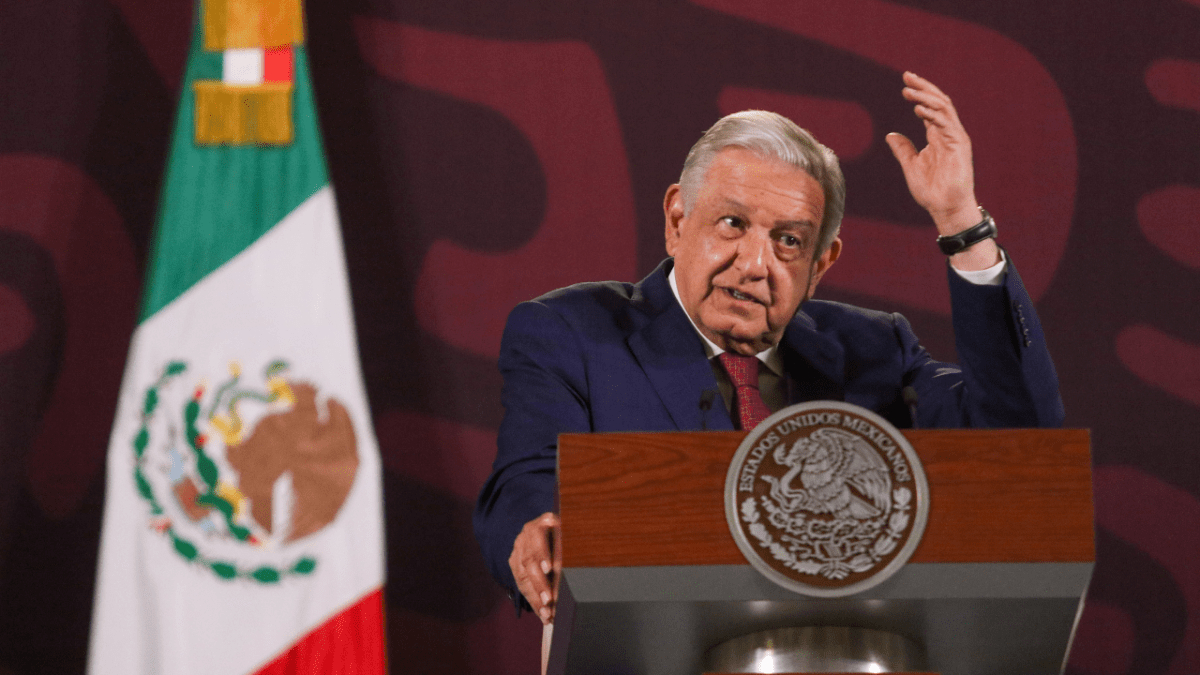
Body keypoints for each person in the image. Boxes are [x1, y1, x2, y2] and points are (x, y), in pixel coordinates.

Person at [473, 72, 1063, 624]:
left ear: (820, 265)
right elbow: (527, 480)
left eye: (788, 240)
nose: (754, 265)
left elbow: (1018, 442)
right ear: (679, 220)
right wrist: (537, 531)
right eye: (732, 224)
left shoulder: (872, 350)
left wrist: (961, 223)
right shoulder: (573, 333)